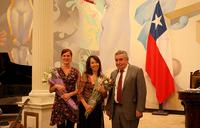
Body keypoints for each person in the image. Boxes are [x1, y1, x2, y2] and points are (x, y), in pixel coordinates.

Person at [106, 50, 147, 128]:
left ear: (127, 60)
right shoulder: (113, 73)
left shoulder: (137, 71)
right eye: (116, 60)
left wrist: (140, 109)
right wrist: (108, 107)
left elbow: (142, 92)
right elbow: (111, 93)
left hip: (130, 110)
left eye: (121, 59)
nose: (118, 62)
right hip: (115, 110)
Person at [49, 48, 80, 128]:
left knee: (70, 126)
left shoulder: (76, 71)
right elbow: (50, 90)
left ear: (71, 57)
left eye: (68, 56)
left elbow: (79, 89)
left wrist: (70, 94)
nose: (66, 57)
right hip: (59, 104)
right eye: (64, 56)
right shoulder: (55, 72)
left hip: (71, 102)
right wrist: (56, 86)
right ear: (61, 57)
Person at [77, 55, 107, 128]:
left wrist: (103, 91)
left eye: (97, 62)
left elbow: (104, 95)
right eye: (92, 63)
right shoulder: (85, 75)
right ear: (89, 65)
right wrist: (86, 106)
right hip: (85, 107)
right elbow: (79, 93)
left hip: (97, 108)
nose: (95, 64)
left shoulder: (102, 77)